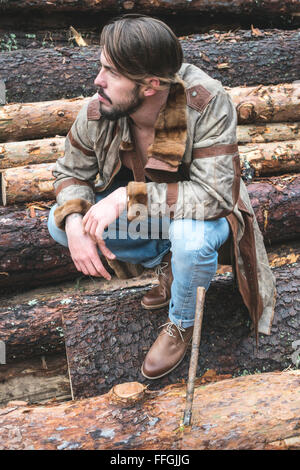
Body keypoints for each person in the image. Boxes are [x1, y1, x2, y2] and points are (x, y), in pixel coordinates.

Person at [48, 14, 276, 380]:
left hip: (207, 215)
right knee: (59, 225)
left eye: (111, 72)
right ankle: (165, 265)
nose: (98, 80)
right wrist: (75, 221)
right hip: (153, 216)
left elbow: (215, 196)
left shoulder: (205, 102)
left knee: (190, 239)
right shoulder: (102, 106)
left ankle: (181, 323)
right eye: (101, 66)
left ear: (150, 85)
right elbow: (70, 172)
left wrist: (127, 196)